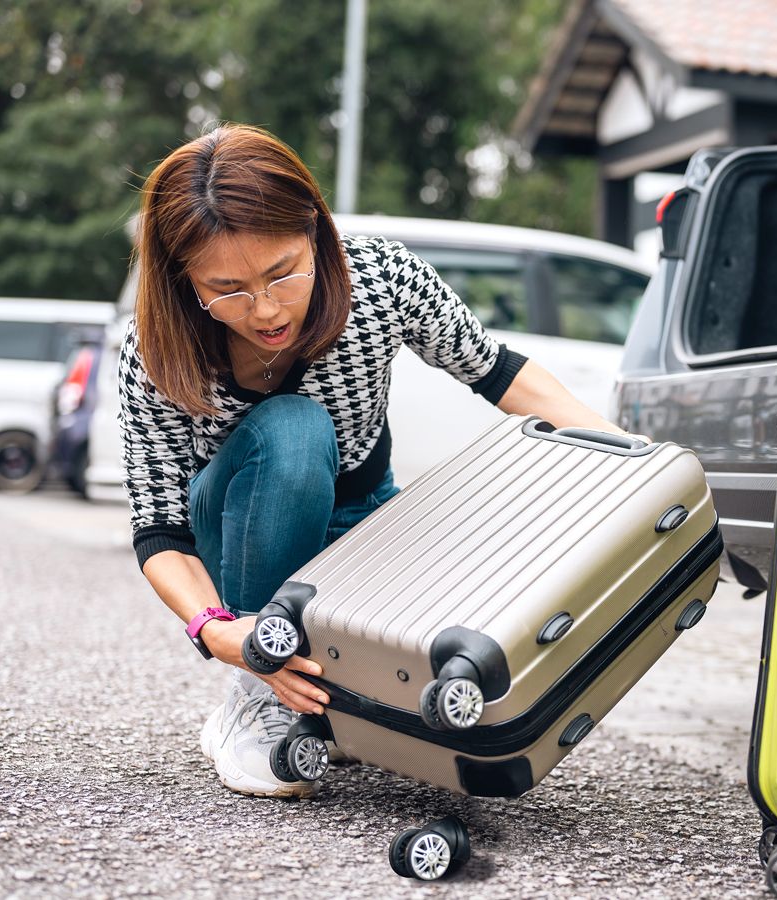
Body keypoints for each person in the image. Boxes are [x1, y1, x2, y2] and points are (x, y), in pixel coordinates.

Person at [119, 123, 630, 799]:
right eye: (229, 289)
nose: (266, 309)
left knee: (465, 635)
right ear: (186, 280)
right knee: (294, 430)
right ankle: (256, 695)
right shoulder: (154, 353)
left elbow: (497, 372)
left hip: (364, 517)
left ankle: (338, 705)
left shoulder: (380, 279)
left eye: (282, 273)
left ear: (318, 233)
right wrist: (217, 631)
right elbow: (159, 531)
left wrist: (629, 460)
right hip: (241, 532)